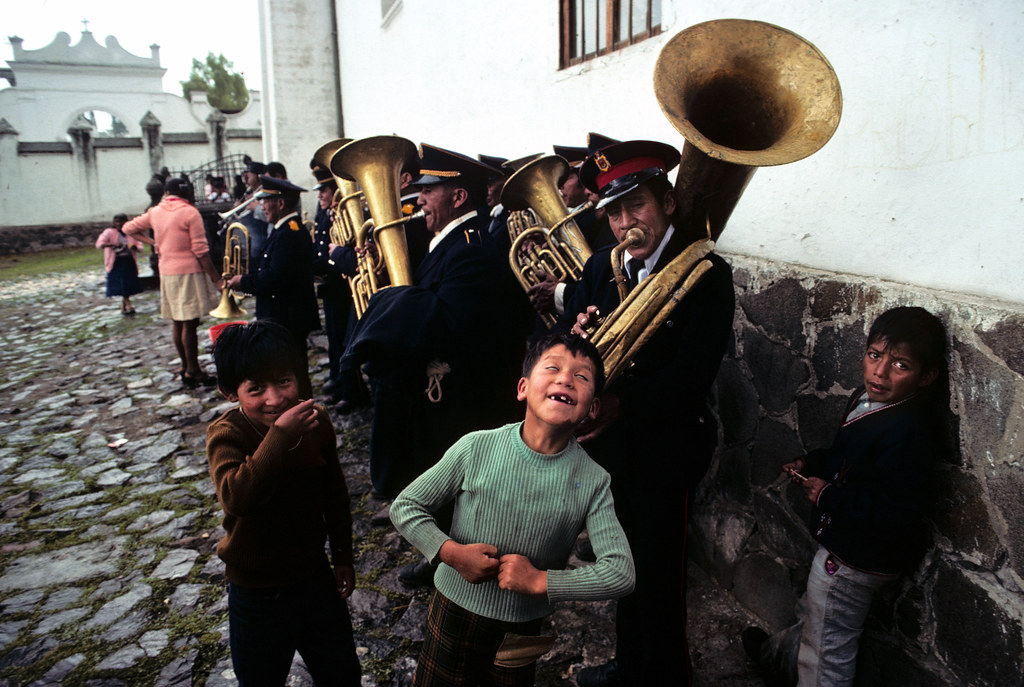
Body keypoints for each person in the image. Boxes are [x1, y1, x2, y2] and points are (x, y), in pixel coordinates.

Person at [564, 140, 735, 687]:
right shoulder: (600, 266)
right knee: (621, 568)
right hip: (610, 449)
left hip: (665, 449)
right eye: (613, 212)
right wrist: (581, 341)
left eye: (635, 205)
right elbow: (574, 347)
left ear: (666, 202)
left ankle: (664, 675)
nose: (623, 222)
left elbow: (692, 376)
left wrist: (621, 402)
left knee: (658, 575)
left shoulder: (705, 274)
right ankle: (627, 667)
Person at [390, 331, 635, 686]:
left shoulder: (594, 481)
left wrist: (540, 581)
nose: (565, 378)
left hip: (522, 629)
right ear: (522, 388)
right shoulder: (476, 448)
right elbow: (407, 506)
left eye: (581, 377)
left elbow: (621, 573)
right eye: (552, 368)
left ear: (592, 408)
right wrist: (452, 553)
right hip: (453, 610)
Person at [742, 306, 948, 687]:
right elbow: (844, 456)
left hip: (856, 559)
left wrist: (827, 497)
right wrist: (812, 461)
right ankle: (777, 659)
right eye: (874, 356)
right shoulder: (866, 399)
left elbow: (893, 513)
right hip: (844, 545)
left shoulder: (907, 433)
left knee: (827, 654)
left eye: (900, 365)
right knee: (817, 618)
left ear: (927, 376)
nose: (880, 372)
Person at [341, 143, 529, 505]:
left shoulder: (470, 246)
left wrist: (393, 304)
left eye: (428, 190)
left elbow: (448, 322)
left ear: (458, 196)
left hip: (462, 398)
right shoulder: (451, 241)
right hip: (448, 395)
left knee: (459, 492)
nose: (419, 198)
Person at [207, 320, 361, 686]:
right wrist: (279, 437)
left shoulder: (317, 422)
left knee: (341, 672)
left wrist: (342, 556)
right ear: (230, 393)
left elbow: (334, 495)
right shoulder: (227, 434)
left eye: (284, 381)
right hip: (255, 590)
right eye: (256, 388)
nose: (275, 399)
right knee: (260, 677)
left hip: (313, 577)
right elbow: (237, 497)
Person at [124, 177, 223, 388]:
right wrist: (217, 279)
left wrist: (154, 242)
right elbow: (201, 251)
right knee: (189, 322)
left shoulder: (155, 211)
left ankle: (185, 365)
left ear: (166, 193)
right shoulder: (189, 212)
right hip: (188, 272)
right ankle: (193, 370)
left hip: (167, 272)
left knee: (177, 321)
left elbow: (128, 228)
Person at [226, 175, 320, 397]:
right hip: (285, 315)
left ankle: (303, 414)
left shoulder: (289, 233)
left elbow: (275, 279)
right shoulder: (286, 230)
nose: (262, 207)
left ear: (280, 204)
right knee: (291, 369)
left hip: (287, 317)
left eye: (265, 201)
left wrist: (243, 282)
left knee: (293, 372)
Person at [309, 166, 356, 405]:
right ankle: (338, 380)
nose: (320, 195)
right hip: (331, 283)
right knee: (334, 337)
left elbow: (345, 248)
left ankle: (351, 389)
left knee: (343, 339)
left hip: (342, 285)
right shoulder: (324, 214)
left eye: (324, 190)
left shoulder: (345, 214)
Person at [95, 212, 144, 317]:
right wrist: (110, 244)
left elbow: (139, 246)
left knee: (128, 284)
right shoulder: (109, 232)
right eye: (117, 221)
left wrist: (134, 247)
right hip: (116, 262)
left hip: (128, 262)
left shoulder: (131, 233)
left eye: (122, 221)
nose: (119, 224)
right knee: (121, 284)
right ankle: (128, 305)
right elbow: (99, 244)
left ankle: (124, 304)